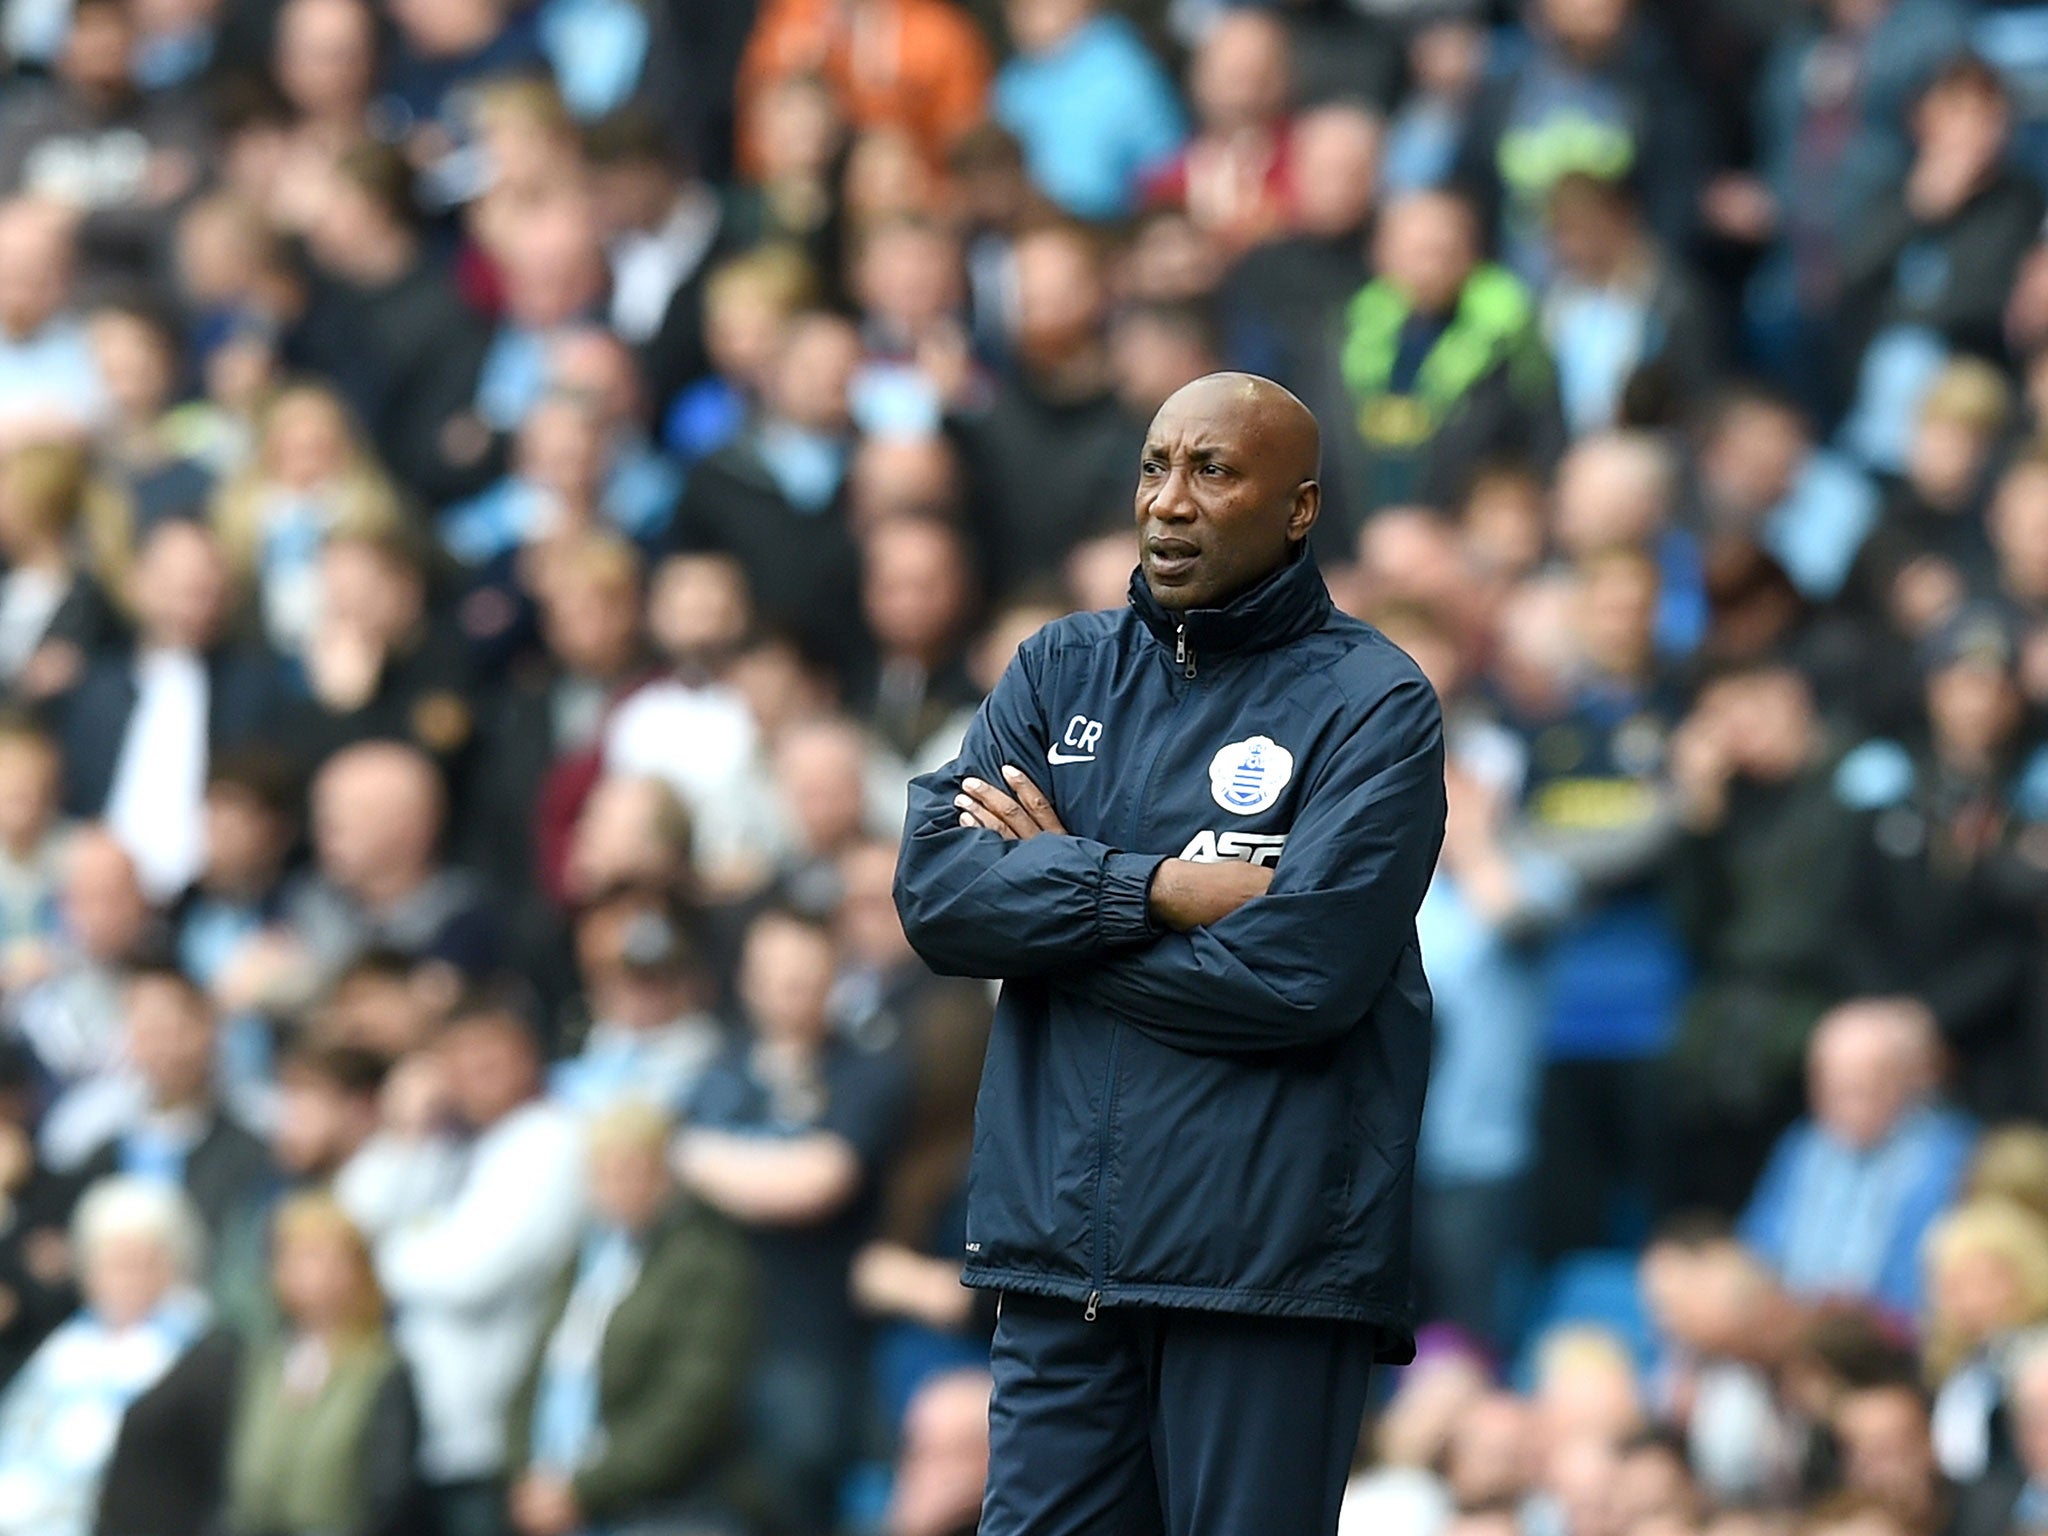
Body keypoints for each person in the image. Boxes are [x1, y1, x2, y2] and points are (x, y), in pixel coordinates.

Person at [895, 373, 1446, 1534]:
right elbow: (940, 895)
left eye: (1213, 471)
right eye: (1154, 466)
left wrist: (1053, 913)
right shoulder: (1057, 669)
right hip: (1056, 1264)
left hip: (1264, 1270)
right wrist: (1156, 887)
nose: (1168, 502)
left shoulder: (1375, 703)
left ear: (1297, 508)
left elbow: (1302, 974)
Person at [336, 1002, 585, 1536]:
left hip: (496, 1434)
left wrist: (380, 1259)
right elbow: (349, 1219)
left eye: (493, 1056)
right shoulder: (447, 1145)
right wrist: (402, 1129)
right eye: (462, 1060)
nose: (477, 1072)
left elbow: (472, 1271)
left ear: (530, 1058)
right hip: (422, 1429)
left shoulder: (551, 1139)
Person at [504, 1102, 754, 1536]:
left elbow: (690, 1402)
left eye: (633, 1169)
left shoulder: (705, 1260)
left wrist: (584, 1488)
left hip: (665, 1508)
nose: (618, 1186)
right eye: (604, 1171)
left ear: (664, 1173)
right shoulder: (585, 1257)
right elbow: (535, 1373)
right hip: (560, 1498)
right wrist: (526, 1473)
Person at [0, 1178, 236, 1536]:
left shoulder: (201, 1353)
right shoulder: (67, 1344)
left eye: (138, 1262)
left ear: (173, 1265)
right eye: (110, 1263)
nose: (124, 1279)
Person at [1740, 999, 1977, 1318]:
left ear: (1906, 1081)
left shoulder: (1950, 1156)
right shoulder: (1802, 1146)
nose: (1845, 1107)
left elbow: (1937, 1278)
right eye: (1831, 1090)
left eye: (1861, 1089)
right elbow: (1759, 1247)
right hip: (1794, 1334)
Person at [224, 1193, 422, 1536]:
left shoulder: (383, 1368)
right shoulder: (265, 1361)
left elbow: (388, 1493)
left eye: (321, 1257)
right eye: (293, 1256)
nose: (306, 1271)